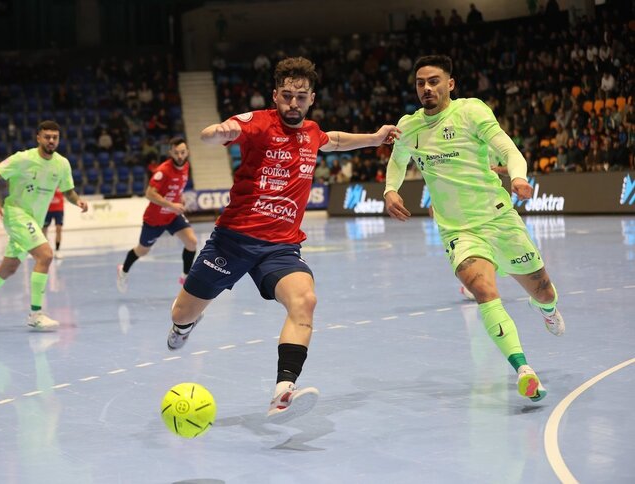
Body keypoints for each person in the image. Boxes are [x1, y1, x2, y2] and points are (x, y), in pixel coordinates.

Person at [166, 57, 400, 424]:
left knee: (305, 300)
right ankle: (183, 327)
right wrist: (218, 133)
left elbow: (333, 141)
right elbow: (223, 131)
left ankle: (283, 389)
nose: (293, 103)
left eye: (301, 97)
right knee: (182, 312)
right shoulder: (258, 123)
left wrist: (374, 138)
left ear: (311, 99)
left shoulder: (312, 132)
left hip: (280, 247)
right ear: (275, 96)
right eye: (287, 96)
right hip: (233, 241)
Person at [384, 55, 564, 403]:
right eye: (420, 83)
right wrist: (391, 189)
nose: (426, 88)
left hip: (497, 218)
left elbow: (507, 147)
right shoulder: (409, 126)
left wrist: (518, 177)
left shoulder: (471, 111)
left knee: (543, 290)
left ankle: (546, 309)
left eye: (434, 81)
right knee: (483, 290)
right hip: (457, 229)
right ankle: (523, 369)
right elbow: (397, 161)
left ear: (450, 84)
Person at [0, 120, 88, 331]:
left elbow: (67, 191)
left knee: (9, 267)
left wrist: (77, 201)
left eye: (55, 137)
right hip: (17, 214)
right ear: (38, 137)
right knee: (46, 255)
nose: (51, 140)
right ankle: (36, 314)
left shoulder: (62, 164)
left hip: (34, 221)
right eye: (47, 136)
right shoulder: (23, 158)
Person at [117, 137, 198, 292]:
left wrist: (180, 199)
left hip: (172, 216)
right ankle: (123, 270)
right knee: (142, 250)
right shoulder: (163, 171)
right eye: (176, 153)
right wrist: (171, 205)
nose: (180, 156)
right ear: (170, 153)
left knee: (192, 242)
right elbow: (149, 193)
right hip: (154, 219)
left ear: (187, 151)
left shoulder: (186, 166)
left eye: (182, 152)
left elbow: (176, 189)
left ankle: (185, 277)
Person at [42, 189, 65, 259]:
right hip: (47, 209)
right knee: (44, 229)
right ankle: (44, 250)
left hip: (59, 209)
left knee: (59, 229)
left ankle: (57, 250)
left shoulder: (61, 182)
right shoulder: (46, 182)